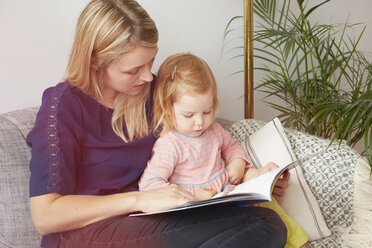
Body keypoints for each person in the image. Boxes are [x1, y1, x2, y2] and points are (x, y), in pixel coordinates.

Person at [26, 0, 288, 247]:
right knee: (262, 224)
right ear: (95, 61)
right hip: (87, 234)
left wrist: (255, 182)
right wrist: (140, 199)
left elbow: (203, 144)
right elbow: (45, 216)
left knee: (264, 223)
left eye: (150, 61)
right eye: (132, 70)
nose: (148, 76)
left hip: (149, 221)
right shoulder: (62, 108)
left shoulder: (151, 94)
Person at [139, 53, 308, 248]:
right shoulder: (170, 144)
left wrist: (237, 163)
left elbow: (232, 146)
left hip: (227, 198)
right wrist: (192, 198)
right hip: (198, 213)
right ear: (167, 108)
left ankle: (299, 244)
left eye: (207, 111)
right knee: (250, 227)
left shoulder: (214, 130)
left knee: (269, 207)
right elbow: (149, 185)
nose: (200, 122)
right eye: (189, 115)